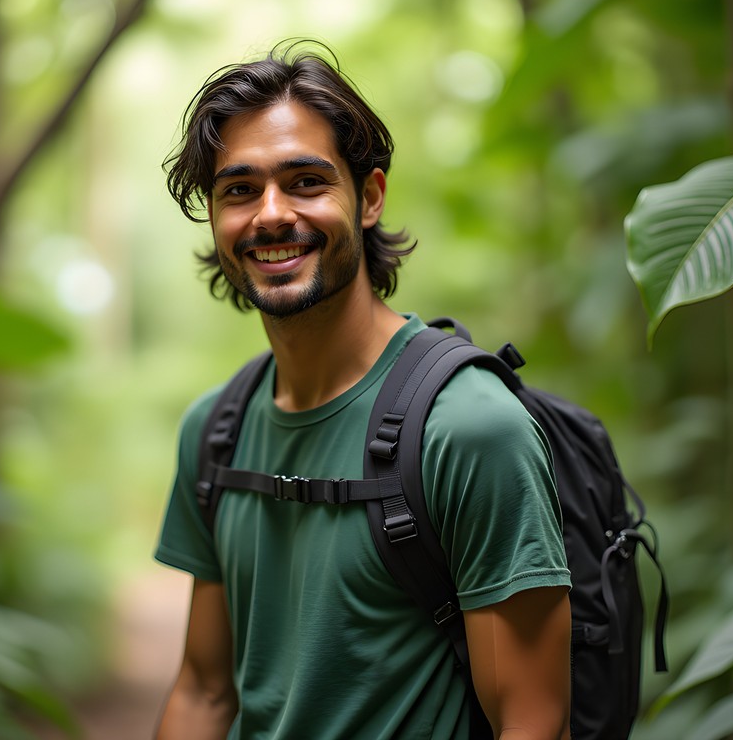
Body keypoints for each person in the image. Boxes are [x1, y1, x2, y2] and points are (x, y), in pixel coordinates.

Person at [154, 39, 572, 740]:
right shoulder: (215, 430)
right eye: (239, 189)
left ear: (369, 197)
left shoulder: (469, 428)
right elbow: (202, 692)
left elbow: (532, 725)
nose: (271, 214)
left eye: (307, 182)